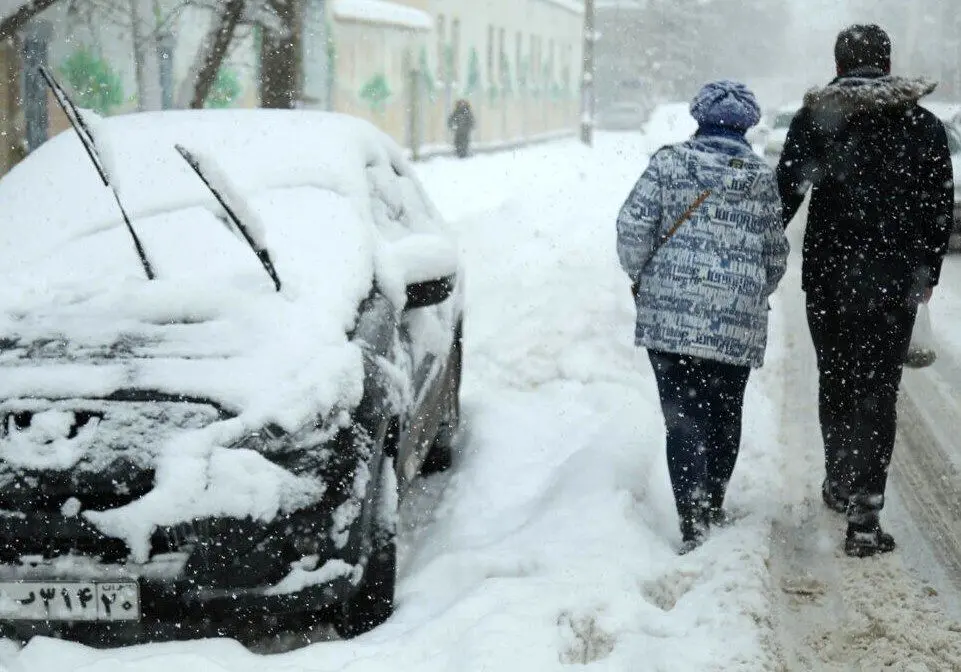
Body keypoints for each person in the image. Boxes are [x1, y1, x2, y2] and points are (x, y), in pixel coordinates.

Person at [776, 24, 953, 557]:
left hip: (829, 279)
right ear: (888, 62)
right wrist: (925, 274)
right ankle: (866, 515)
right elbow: (938, 209)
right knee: (877, 392)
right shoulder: (923, 126)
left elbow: (785, 192)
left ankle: (838, 479)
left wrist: (754, 248)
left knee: (836, 380)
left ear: (838, 65)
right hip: (892, 286)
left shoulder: (817, 120)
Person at [617, 80, 789, 554]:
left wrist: (647, 276)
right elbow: (775, 255)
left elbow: (632, 228)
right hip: (735, 321)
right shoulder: (759, 177)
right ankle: (711, 502)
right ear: (747, 125)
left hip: (671, 319)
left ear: (699, 116)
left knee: (684, 417)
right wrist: (748, 289)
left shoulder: (669, 163)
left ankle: (692, 520)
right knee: (725, 411)